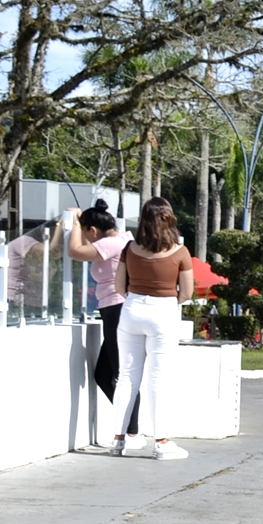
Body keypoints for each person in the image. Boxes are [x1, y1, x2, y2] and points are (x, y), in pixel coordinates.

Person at [109, 197, 196, 460]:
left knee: (127, 376)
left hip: (132, 309)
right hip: (163, 311)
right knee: (158, 378)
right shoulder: (180, 252)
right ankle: (161, 442)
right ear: (170, 219)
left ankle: (118, 439)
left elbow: (119, 286)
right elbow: (187, 293)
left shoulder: (130, 248)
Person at [67, 201, 138, 445]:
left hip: (116, 309)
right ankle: (129, 426)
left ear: (93, 230)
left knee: (120, 373)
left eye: (87, 232)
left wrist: (74, 223)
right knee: (105, 373)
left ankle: (132, 432)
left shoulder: (111, 243)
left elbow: (75, 251)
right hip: (113, 309)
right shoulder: (122, 239)